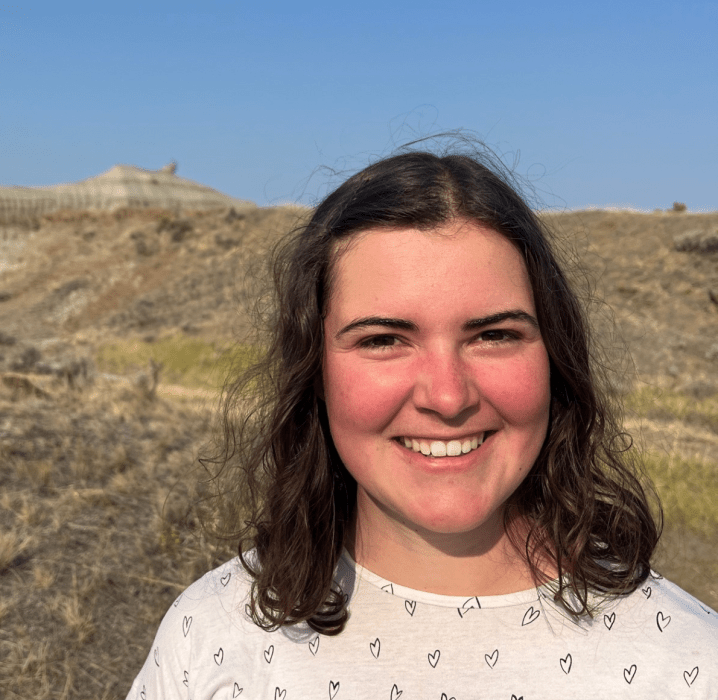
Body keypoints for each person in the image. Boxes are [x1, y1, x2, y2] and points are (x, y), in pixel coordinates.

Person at [127, 148, 718, 700]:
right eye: (383, 339)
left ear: (554, 358)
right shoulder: (208, 636)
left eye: (494, 335)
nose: (447, 396)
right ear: (315, 371)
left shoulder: (688, 661)